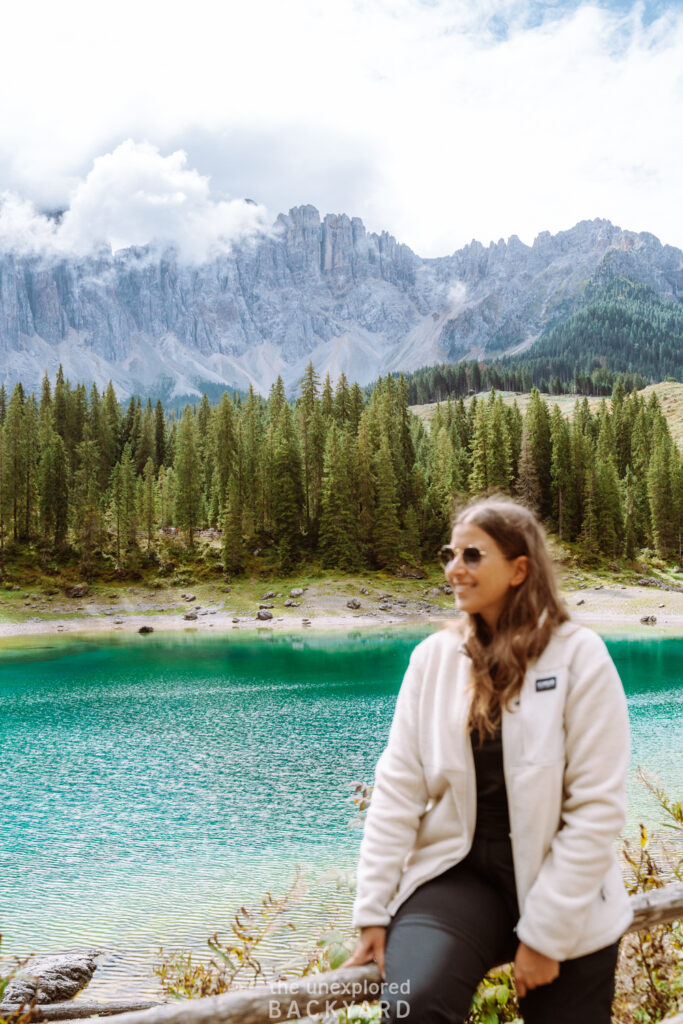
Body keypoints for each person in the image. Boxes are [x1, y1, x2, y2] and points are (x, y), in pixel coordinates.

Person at [344, 496, 632, 1024]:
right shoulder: (433, 659)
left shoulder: (579, 656)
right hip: (459, 876)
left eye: (472, 555)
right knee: (414, 1005)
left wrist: (545, 937)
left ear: (520, 568)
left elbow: (597, 809)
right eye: (449, 554)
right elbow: (397, 790)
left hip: (564, 887)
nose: (454, 569)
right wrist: (373, 910)